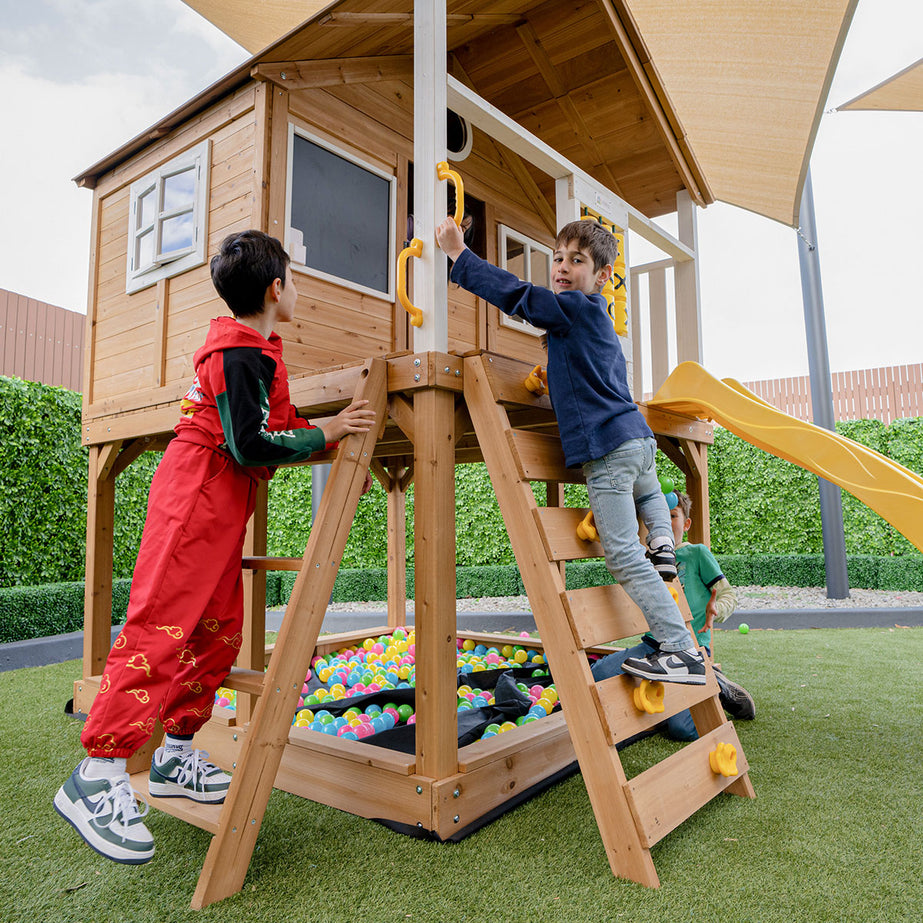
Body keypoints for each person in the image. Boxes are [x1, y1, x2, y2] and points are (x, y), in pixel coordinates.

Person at [54, 230, 376, 864]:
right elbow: (251, 444)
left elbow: (273, 428)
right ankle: (96, 773)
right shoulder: (236, 353)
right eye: (294, 279)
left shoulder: (258, 349)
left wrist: (331, 435)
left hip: (220, 497)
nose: (297, 289)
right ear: (276, 289)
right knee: (163, 623)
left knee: (219, 625)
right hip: (196, 493)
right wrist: (329, 429)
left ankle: (175, 754)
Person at [436, 215, 703, 685]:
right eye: (557, 258)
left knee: (622, 557)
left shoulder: (574, 307)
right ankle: (663, 542)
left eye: (576, 261)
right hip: (639, 441)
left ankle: (681, 649)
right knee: (647, 495)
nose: (561, 267)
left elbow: (517, 295)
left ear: (600, 276)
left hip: (609, 452)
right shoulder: (598, 325)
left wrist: (461, 255)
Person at [591, 491, 756, 740]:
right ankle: (686, 688)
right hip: (653, 647)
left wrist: (716, 609)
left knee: (681, 729)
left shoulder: (697, 554)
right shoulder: (645, 561)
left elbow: (728, 596)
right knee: (598, 674)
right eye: (657, 519)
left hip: (691, 651)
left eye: (672, 516)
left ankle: (717, 685)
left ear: (686, 524)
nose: (665, 523)